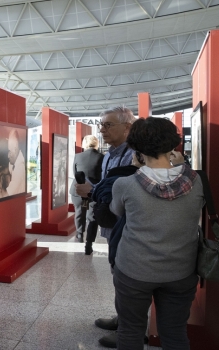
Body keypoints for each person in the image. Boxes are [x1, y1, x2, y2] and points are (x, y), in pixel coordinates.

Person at [109, 117, 203, 350]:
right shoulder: (198, 181)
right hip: (182, 270)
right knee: (174, 332)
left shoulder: (125, 184)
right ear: (173, 144)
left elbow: (116, 211)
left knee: (130, 330)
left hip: (134, 269)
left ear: (136, 148)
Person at [74, 106, 135, 348]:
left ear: (127, 127)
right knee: (116, 273)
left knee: (128, 277)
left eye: (108, 125)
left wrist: (94, 190)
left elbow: (129, 193)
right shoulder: (109, 154)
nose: (102, 129)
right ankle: (122, 319)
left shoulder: (136, 156)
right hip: (110, 223)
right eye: (102, 125)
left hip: (128, 226)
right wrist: (94, 187)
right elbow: (109, 186)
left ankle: (130, 328)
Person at [70, 135, 103, 246]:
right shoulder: (102, 157)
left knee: (79, 212)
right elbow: (102, 175)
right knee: (92, 215)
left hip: (78, 188)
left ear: (84, 143)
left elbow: (75, 173)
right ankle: (90, 240)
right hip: (93, 189)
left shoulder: (78, 156)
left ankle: (79, 234)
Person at [6, 129, 25, 196]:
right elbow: (8, 169)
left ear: (15, 149)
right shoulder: (16, 159)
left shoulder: (19, 168)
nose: (8, 156)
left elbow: (6, 194)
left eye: (10, 152)